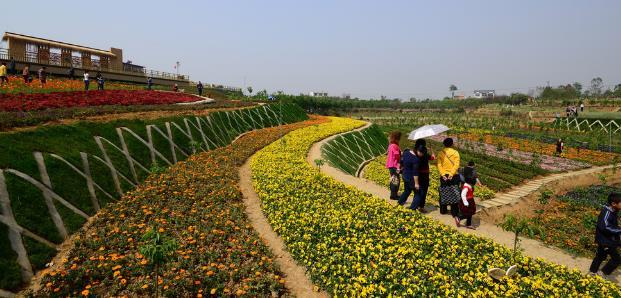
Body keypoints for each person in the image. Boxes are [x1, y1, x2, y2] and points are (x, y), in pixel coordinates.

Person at [589, 192, 621, 277]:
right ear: (613, 204)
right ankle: (602, 273)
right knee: (616, 259)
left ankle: (592, 272)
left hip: (607, 239)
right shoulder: (606, 212)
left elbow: (610, 225)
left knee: (600, 256)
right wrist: (619, 230)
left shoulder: (613, 211)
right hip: (606, 241)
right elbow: (605, 227)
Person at [437, 137, 461, 216]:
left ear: (444, 144)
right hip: (454, 176)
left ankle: (443, 210)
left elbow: (439, 165)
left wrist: (443, 174)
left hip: (444, 176)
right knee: (454, 193)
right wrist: (451, 174)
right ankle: (454, 212)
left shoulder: (441, 153)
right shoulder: (455, 153)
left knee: (444, 192)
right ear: (452, 144)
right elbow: (456, 164)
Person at [409, 142, 435, 212]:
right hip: (424, 176)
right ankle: (421, 206)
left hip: (416, 176)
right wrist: (432, 149)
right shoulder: (426, 155)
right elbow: (433, 157)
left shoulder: (415, 155)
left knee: (417, 192)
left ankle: (416, 205)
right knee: (423, 191)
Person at [386, 131, 402, 200]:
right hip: (394, 165)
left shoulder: (391, 145)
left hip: (390, 165)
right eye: (398, 138)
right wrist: (401, 154)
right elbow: (397, 155)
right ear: (396, 138)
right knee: (396, 181)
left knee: (393, 179)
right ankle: (393, 195)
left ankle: (393, 194)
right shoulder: (395, 146)